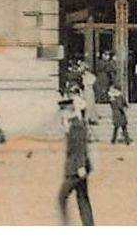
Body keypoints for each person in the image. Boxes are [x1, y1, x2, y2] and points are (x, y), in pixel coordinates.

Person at [56, 97, 95, 226]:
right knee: (82, 198)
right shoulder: (73, 124)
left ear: (68, 111)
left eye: (62, 111)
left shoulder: (76, 126)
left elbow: (79, 147)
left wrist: (80, 166)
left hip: (76, 169)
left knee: (62, 197)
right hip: (78, 166)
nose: (61, 114)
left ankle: (65, 225)